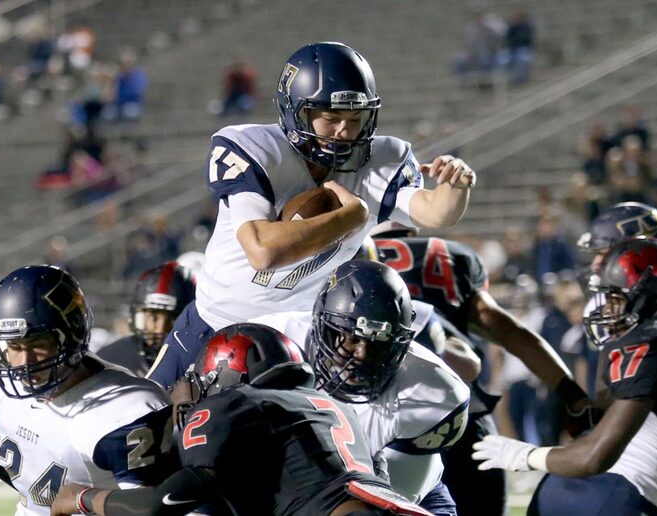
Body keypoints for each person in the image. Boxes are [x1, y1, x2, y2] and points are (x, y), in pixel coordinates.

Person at [146, 41, 477, 390]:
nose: (345, 132)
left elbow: (436, 212)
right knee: (149, 422)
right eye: (332, 119)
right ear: (297, 113)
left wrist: (455, 187)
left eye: (355, 119)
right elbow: (263, 251)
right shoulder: (257, 150)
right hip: (214, 322)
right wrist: (351, 217)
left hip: (299, 339)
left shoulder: (381, 159)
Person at [472, 239, 657, 515]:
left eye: (614, 297)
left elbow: (595, 456)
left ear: (647, 292)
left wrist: (524, 456)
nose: (606, 308)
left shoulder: (655, 340)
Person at [50, 323, 431, 516]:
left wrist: (79, 498)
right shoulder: (330, 405)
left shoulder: (234, 403)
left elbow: (159, 506)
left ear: (224, 374)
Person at [371, 225, 593, 515]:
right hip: (460, 416)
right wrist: (574, 396)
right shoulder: (447, 255)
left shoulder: (348, 257)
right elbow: (511, 332)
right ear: (412, 230)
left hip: (386, 425)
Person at [0, 265, 176, 514]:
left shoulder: (123, 410)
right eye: (14, 345)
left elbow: (152, 507)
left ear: (72, 335)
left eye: (38, 344)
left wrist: (82, 499)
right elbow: (15, 429)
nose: (25, 362)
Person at [251, 260, 469, 515]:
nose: (362, 355)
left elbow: (387, 503)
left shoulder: (434, 393)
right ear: (322, 326)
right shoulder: (275, 343)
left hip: (398, 497)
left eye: (378, 344)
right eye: (352, 338)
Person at [98, 261, 196, 376]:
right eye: (154, 317)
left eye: (172, 319)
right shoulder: (109, 359)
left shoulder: (201, 359)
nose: (160, 329)